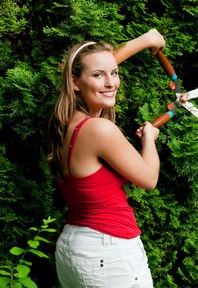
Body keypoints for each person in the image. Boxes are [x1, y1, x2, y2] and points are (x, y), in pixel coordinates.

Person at [47, 29, 165, 288]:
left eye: (114, 72)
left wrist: (145, 40)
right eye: (99, 76)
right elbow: (148, 179)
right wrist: (149, 139)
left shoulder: (67, 122)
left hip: (75, 248)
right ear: (75, 82)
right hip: (108, 251)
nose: (111, 82)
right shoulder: (99, 129)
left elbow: (94, 68)